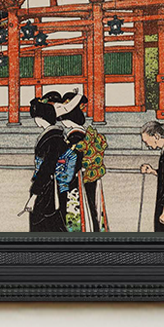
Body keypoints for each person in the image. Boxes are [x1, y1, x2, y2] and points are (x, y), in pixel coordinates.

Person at [56, 89, 109, 232]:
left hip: (79, 178)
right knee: (92, 207)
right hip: (90, 176)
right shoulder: (85, 133)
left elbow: (73, 162)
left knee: (80, 210)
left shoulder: (75, 136)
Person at [24, 94, 67, 232]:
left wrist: (34, 196)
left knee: (43, 222)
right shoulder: (56, 135)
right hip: (50, 186)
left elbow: (46, 168)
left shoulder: (51, 138)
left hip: (47, 188)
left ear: (40, 118)